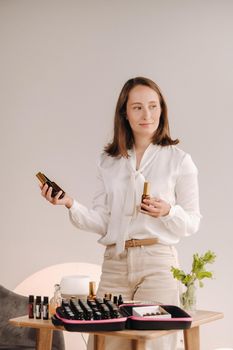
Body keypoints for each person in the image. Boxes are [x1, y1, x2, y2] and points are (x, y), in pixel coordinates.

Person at [40, 76, 201, 350]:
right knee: (105, 343)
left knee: (154, 345)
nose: (147, 114)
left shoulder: (179, 161)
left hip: (158, 263)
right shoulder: (109, 161)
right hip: (115, 263)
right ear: (124, 113)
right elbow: (103, 221)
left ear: (162, 109)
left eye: (153, 106)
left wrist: (167, 211)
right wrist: (69, 203)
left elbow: (192, 222)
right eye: (137, 107)